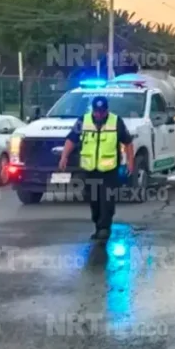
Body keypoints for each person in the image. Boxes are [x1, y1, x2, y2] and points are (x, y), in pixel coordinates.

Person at [57, 96, 135, 241]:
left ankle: (105, 227)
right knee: (93, 199)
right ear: (92, 110)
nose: (99, 114)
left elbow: (128, 143)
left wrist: (130, 161)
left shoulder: (116, 121)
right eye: (97, 111)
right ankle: (98, 225)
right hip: (90, 169)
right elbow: (71, 139)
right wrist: (64, 157)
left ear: (107, 110)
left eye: (102, 111)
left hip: (109, 170)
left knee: (106, 199)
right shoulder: (83, 121)